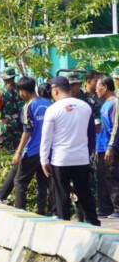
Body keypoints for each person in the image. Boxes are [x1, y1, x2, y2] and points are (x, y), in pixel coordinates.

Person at [40, 76, 100, 226]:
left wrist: (44, 160)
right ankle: (93, 224)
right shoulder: (85, 107)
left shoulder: (52, 109)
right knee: (85, 193)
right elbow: (91, 135)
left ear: (55, 90)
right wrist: (87, 153)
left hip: (60, 159)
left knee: (62, 195)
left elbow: (46, 138)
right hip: (81, 158)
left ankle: (64, 225)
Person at [10, 77, 51, 214]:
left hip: (33, 150)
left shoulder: (28, 107)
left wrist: (18, 153)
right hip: (48, 150)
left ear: (23, 91)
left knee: (19, 181)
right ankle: (41, 211)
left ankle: (20, 211)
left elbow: (27, 131)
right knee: (42, 183)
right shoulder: (49, 103)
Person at [97, 77, 119, 218]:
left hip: (110, 147)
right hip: (101, 147)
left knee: (112, 177)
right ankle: (105, 208)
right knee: (103, 178)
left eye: (98, 87)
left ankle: (117, 208)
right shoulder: (105, 104)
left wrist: (111, 146)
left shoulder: (115, 103)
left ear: (105, 87)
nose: (96, 90)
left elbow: (116, 126)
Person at [0, 67, 23, 152]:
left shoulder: (2, 92)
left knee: (0, 148)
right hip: (19, 123)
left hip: (6, 124)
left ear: (4, 79)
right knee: (17, 147)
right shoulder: (21, 90)